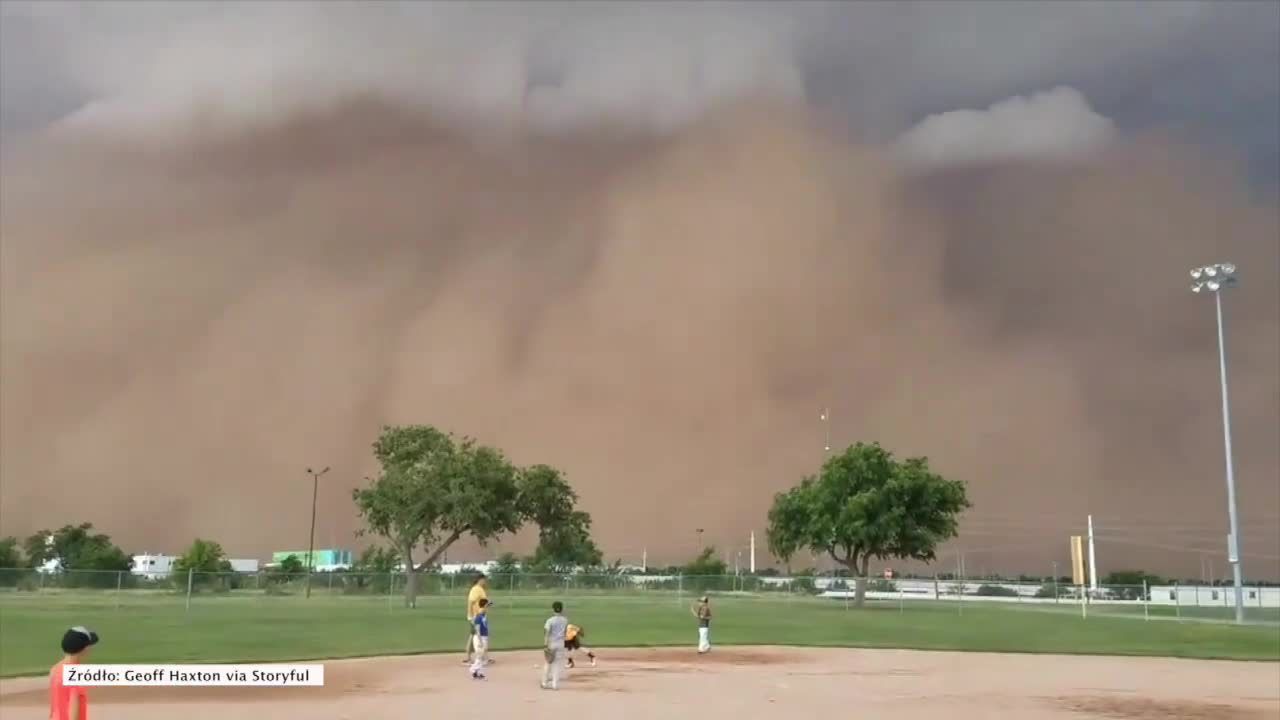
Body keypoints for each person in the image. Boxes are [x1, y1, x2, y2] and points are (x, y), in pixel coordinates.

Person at [49, 626, 98, 720]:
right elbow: (73, 711)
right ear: (83, 649)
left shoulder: (55, 670)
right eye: (88, 645)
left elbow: (53, 710)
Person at [540, 601, 569, 690]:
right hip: (561, 643)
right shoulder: (565, 620)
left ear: (553, 609)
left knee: (548, 663)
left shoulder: (550, 620)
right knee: (557, 664)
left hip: (552, 643)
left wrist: (545, 644)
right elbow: (565, 632)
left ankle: (544, 683)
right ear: (562, 609)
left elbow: (547, 633)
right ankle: (555, 685)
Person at [464, 573, 490, 666]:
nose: (485, 581)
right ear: (480, 579)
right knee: (475, 636)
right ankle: (470, 658)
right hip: (477, 616)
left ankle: (484, 657)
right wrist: (470, 616)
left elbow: (483, 602)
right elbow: (471, 602)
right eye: (484, 579)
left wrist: (489, 604)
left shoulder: (480, 589)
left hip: (481, 616)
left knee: (476, 636)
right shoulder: (476, 589)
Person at [469, 598, 491, 680]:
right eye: (487, 606)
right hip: (479, 638)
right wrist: (480, 641)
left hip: (484, 637)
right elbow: (477, 630)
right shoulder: (478, 617)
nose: (488, 608)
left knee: (481, 656)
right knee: (480, 655)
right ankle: (473, 669)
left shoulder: (483, 615)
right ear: (484, 606)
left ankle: (478, 673)